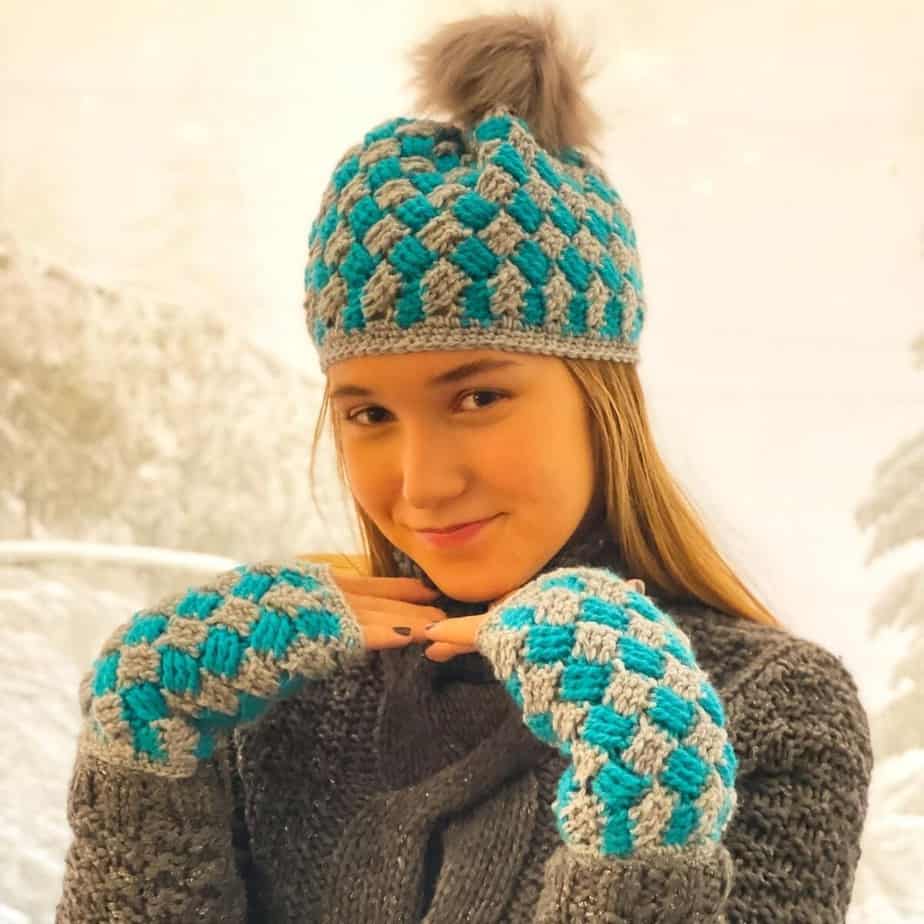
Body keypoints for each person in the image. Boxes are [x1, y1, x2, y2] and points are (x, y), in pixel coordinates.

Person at [56, 9, 873, 923]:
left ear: (601, 400)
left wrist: (646, 824)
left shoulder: (768, 709)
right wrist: (141, 759)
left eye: (477, 398)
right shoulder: (271, 700)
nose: (421, 483)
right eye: (368, 413)